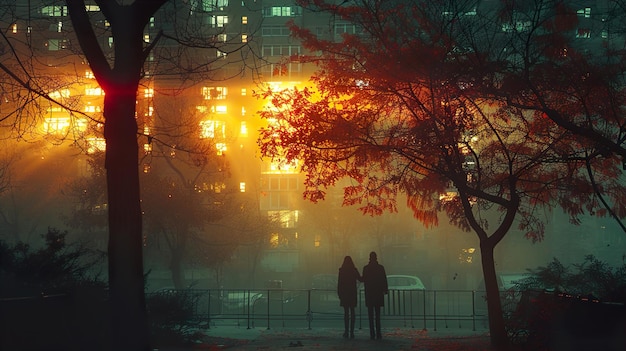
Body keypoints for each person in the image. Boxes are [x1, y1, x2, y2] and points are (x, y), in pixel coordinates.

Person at [362, 251, 388, 340]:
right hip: (378, 294)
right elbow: (384, 279)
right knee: (377, 315)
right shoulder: (380, 268)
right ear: (376, 257)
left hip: (369, 294)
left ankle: (372, 333)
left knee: (370, 315)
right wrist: (385, 290)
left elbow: (363, 279)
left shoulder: (366, 268)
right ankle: (378, 333)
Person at [337, 256, 362, 339]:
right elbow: (360, 279)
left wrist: (339, 293)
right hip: (352, 293)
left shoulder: (342, 271)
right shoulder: (354, 270)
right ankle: (352, 332)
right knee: (352, 312)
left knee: (346, 313)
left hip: (345, 294)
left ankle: (346, 331)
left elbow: (339, 283)